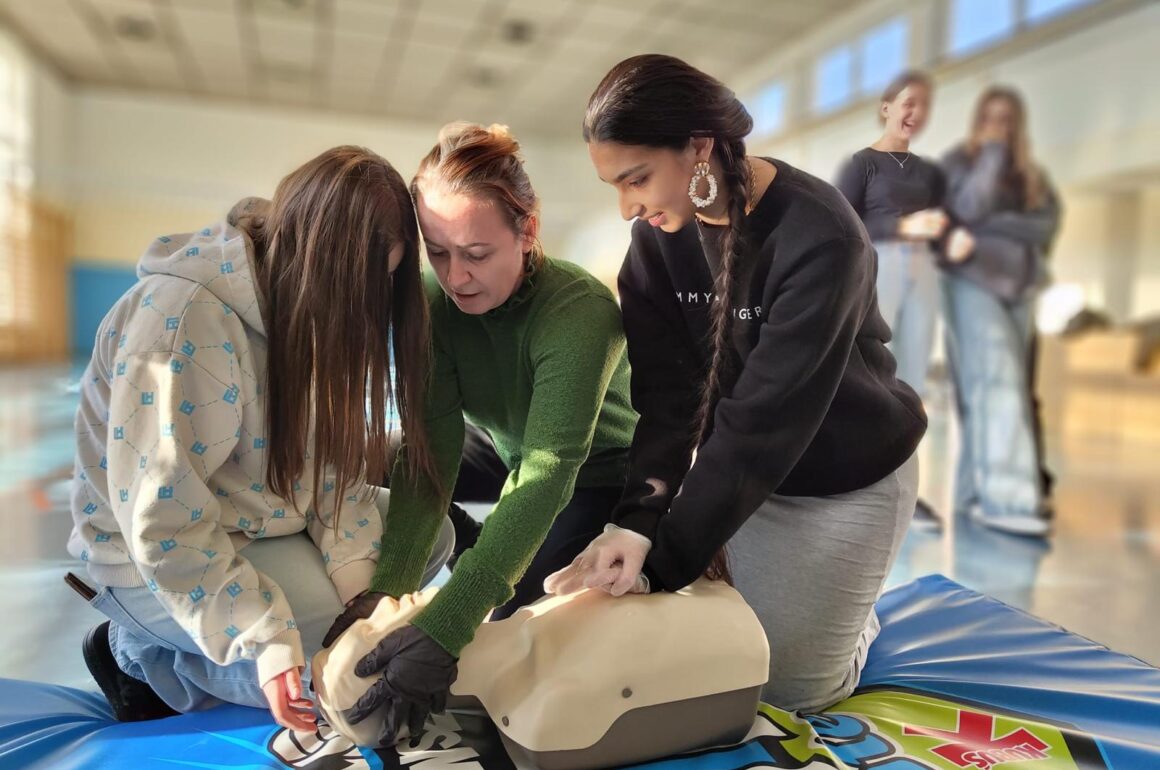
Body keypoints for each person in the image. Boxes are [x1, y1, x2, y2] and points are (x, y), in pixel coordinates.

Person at [544, 54, 926, 713]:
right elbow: (666, 402)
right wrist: (635, 523)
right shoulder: (656, 245)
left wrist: (665, 558)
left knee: (791, 693)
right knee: (715, 662)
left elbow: (760, 423)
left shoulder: (821, 236)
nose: (627, 207)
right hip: (752, 478)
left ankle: (857, 620)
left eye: (636, 179)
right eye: (614, 186)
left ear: (698, 149)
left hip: (848, 479)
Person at [67, 146, 445, 731]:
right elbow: (162, 525)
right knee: (334, 666)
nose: (368, 306)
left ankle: (270, 638)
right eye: (363, 285)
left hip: (259, 520)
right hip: (155, 558)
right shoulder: (181, 321)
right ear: (321, 259)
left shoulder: (303, 304)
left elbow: (328, 475)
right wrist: (264, 638)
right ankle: (138, 655)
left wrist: (363, 603)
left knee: (425, 536)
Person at [322, 122, 638, 743]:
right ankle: (470, 538)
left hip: (599, 468)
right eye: (437, 252)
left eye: (476, 253)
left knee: (507, 631)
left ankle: (481, 549)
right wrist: (389, 590)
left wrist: (447, 624)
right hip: (504, 443)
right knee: (376, 460)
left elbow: (547, 475)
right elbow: (429, 450)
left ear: (527, 232)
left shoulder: (578, 313)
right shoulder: (433, 302)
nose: (456, 276)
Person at [939, 86, 1061, 536]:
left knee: (993, 390)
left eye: (1006, 118)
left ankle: (973, 496)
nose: (998, 125)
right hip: (972, 282)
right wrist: (989, 156)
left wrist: (990, 227)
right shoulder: (958, 164)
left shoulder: (1031, 175)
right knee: (996, 385)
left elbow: (1045, 224)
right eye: (990, 116)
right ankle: (1007, 499)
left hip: (1020, 289)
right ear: (978, 119)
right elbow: (965, 208)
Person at [836, 70, 947, 532]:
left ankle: (907, 488)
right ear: (886, 106)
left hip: (926, 272)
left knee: (914, 379)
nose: (914, 113)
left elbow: (948, 222)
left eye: (923, 106)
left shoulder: (931, 172)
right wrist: (903, 229)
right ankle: (862, 479)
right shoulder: (861, 165)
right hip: (882, 270)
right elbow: (842, 227)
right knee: (879, 373)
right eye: (908, 102)